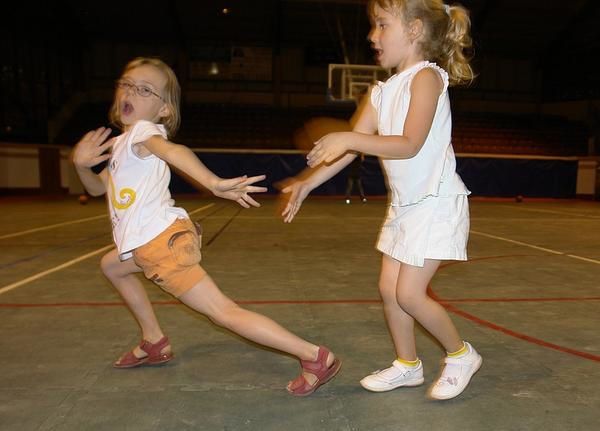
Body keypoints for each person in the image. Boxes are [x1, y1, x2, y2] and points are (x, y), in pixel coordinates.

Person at [71, 57, 340, 396]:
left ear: (164, 110)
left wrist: (212, 183)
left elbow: (173, 151)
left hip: (159, 247)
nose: (131, 93)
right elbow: (98, 188)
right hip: (149, 243)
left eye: (144, 90)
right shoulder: (122, 146)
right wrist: (81, 166)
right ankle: (154, 340)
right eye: (126, 84)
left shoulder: (143, 133)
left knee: (223, 312)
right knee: (111, 265)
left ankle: (315, 356)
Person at [280, 0, 481, 400]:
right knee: (389, 291)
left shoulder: (427, 78)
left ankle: (461, 354)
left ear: (415, 30)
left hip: (436, 202)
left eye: (381, 25)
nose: (372, 35)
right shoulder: (382, 91)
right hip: (405, 207)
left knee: (409, 293)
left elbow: (408, 144)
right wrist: (306, 182)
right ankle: (407, 365)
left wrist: (349, 137)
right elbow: (351, 151)